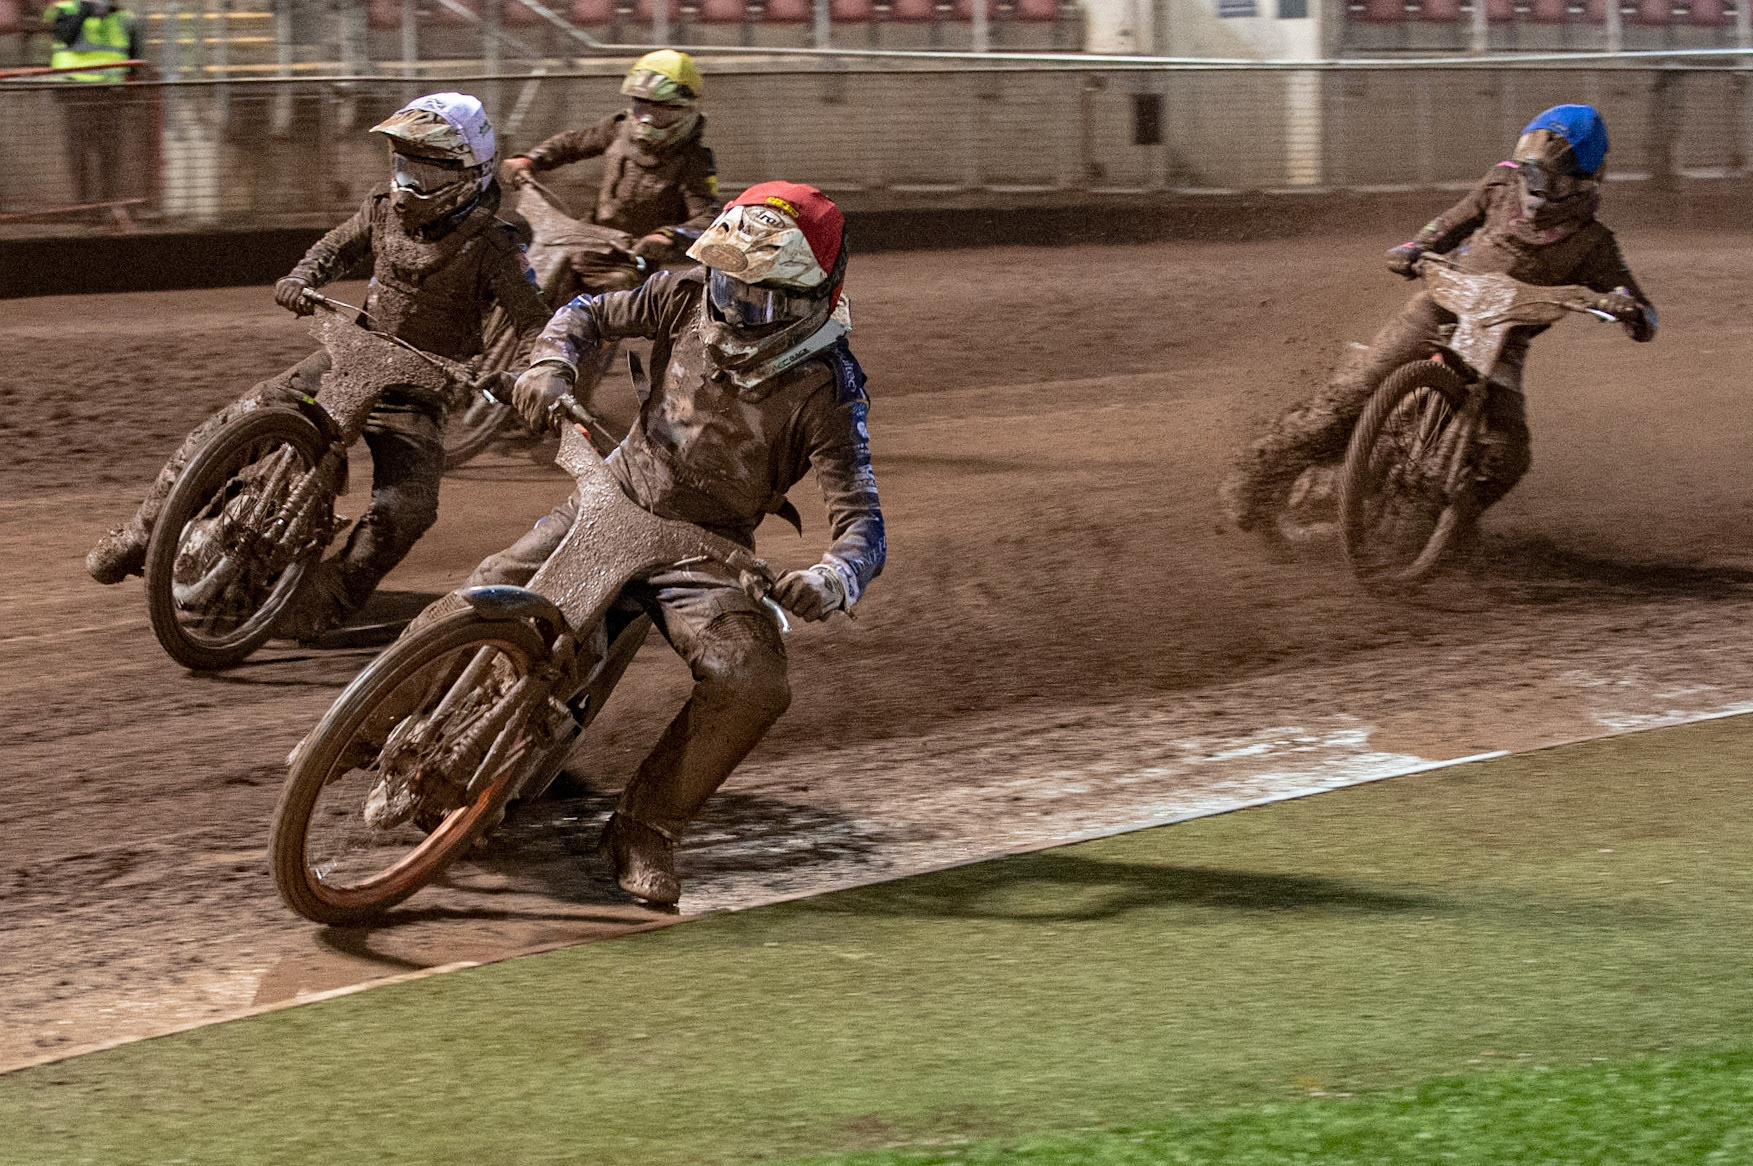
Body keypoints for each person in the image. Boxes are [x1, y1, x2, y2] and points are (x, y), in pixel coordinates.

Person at [488, 180, 885, 907]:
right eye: (730, 285)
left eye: (761, 298)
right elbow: (585, 311)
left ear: (812, 297)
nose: (736, 308)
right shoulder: (681, 295)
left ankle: (645, 827)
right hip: (617, 492)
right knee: (486, 592)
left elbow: (862, 522)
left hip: (703, 549)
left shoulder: (830, 389)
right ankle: (373, 722)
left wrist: (832, 577)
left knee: (753, 682)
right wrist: (550, 363)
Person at [86, 92, 552, 643]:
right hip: (347, 355)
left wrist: (527, 374)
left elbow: (535, 323)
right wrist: (303, 277)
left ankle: (328, 598)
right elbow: (336, 247)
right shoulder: (381, 205)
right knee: (232, 423)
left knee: (409, 507)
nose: (409, 184)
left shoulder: (496, 245)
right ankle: (142, 534)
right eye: (405, 167)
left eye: (426, 173)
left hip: (417, 389)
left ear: (469, 175)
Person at [1220, 104, 1658, 537]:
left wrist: (1628, 309)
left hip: (1504, 345)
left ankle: (1443, 529)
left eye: (1552, 180)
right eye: (1532, 173)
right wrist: (1416, 247)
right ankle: (1258, 476)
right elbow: (1450, 223)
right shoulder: (1501, 183)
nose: (1536, 188)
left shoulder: (1594, 244)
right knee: (1349, 397)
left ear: (1582, 185)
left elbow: (1643, 311)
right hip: (1441, 307)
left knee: (1507, 457)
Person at [499, 49, 719, 287]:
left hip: (631, 258)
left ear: (684, 108)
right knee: (523, 279)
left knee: (616, 294)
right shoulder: (619, 128)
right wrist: (530, 160)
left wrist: (667, 236)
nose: (646, 118)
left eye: (657, 109)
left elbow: (708, 218)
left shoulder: (694, 160)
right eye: (640, 106)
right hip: (585, 241)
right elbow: (573, 143)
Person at [42, 0, 143, 221]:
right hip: (77, 91)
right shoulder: (68, 9)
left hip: (110, 94)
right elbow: (64, 36)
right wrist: (86, 11)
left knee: (109, 152)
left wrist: (130, 89)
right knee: (79, 151)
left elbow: (135, 58)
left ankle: (106, 205)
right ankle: (84, 206)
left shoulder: (125, 18)